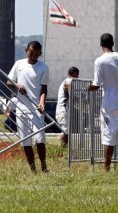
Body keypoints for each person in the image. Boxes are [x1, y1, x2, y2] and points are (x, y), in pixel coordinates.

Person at [88, 33, 118, 172]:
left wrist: (88, 88)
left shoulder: (100, 61)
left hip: (109, 105)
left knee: (108, 138)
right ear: (113, 43)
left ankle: (107, 169)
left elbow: (96, 84)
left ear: (101, 44)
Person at [7, 41, 50, 173]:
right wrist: (17, 85)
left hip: (36, 108)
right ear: (26, 51)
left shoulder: (43, 67)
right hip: (21, 108)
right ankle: (33, 170)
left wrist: (42, 102)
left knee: (40, 138)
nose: (33, 57)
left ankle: (44, 166)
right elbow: (8, 81)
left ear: (40, 54)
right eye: (31, 54)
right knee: (26, 141)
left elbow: (44, 88)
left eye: (36, 55)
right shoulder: (19, 64)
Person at [56, 67, 79, 148]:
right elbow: (71, 95)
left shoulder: (65, 81)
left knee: (66, 131)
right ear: (74, 74)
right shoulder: (69, 81)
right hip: (63, 110)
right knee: (65, 132)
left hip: (63, 110)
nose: (77, 78)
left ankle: (64, 149)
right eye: (77, 76)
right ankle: (62, 149)